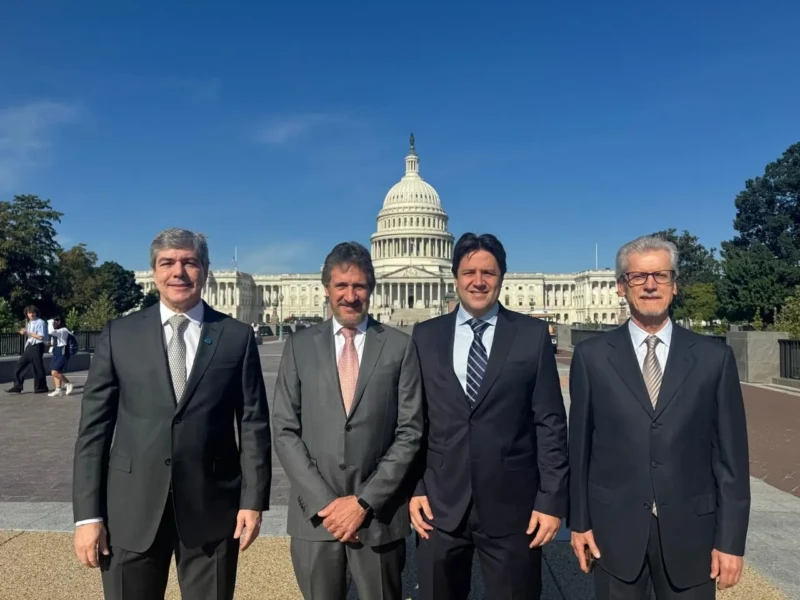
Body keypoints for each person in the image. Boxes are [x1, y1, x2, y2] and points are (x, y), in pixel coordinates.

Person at [72, 228, 272, 600]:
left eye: (189, 262)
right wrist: (88, 516)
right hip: (130, 509)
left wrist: (253, 500)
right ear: (154, 271)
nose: (178, 272)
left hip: (211, 507)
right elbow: (94, 430)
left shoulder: (235, 335)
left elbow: (253, 424)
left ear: (205, 270)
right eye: (167, 263)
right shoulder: (120, 334)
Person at [568, 235, 750, 600]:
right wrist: (580, 522)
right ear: (622, 287)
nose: (650, 285)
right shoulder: (591, 357)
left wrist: (731, 541)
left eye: (661, 276)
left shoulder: (714, 358)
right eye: (638, 277)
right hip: (613, 531)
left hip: (693, 531)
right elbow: (581, 449)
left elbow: (731, 458)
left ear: (675, 285)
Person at [409, 232, 569, 600]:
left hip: (514, 507)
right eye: (469, 272)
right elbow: (414, 421)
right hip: (440, 504)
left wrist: (550, 500)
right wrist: (414, 488)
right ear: (455, 278)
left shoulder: (531, 335)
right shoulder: (425, 335)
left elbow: (550, 423)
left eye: (488, 273)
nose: (478, 281)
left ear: (501, 278)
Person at [272, 241, 423, 600]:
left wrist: (362, 503)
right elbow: (284, 429)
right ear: (326, 288)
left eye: (358, 286)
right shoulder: (299, 346)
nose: (350, 295)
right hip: (315, 517)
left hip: (378, 517)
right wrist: (327, 503)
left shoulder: (400, 346)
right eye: (341, 286)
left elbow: (410, 431)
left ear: (371, 288)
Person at [6, 305, 49, 394]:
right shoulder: (29, 323)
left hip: (37, 346)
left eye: (33, 312)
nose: (31, 314)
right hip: (30, 346)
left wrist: (27, 333)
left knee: (37, 367)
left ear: (36, 313)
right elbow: (30, 335)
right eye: (29, 313)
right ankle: (17, 386)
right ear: (27, 314)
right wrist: (25, 333)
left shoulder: (40, 322)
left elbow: (41, 337)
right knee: (19, 365)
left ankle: (41, 387)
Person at [47, 315, 74, 397]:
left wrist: (49, 322)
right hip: (56, 351)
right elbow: (53, 341)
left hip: (63, 352)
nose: (54, 323)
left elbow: (51, 332)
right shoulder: (58, 331)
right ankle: (58, 389)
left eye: (56, 321)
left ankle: (68, 383)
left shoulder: (64, 330)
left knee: (54, 372)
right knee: (55, 371)